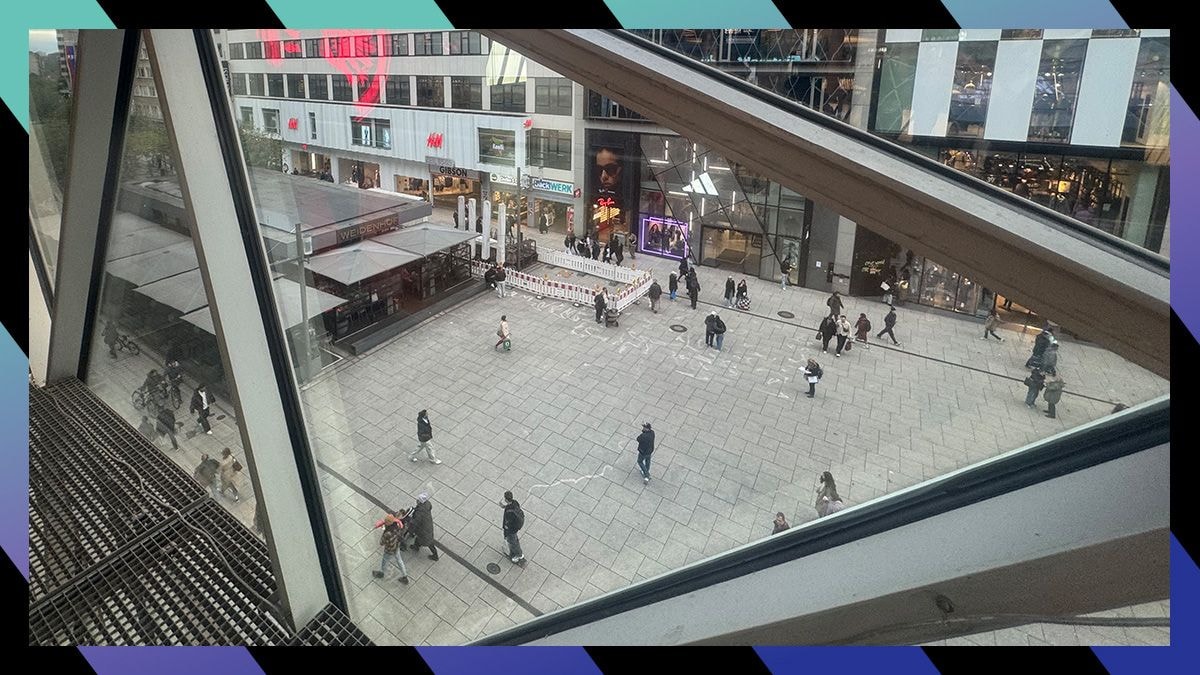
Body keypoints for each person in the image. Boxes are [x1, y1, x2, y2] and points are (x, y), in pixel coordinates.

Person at [372, 513, 410, 584]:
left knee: (385, 560)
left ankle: (381, 573)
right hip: (396, 546)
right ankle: (405, 576)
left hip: (389, 549)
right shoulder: (397, 526)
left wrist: (383, 530)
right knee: (399, 561)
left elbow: (381, 542)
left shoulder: (387, 533)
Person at [408, 493, 440, 560]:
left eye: (418, 500)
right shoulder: (427, 505)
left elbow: (415, 522)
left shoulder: (420, 513)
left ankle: (435, 556)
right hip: (428, 526)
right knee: (426, 540)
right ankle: (416, 546)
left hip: (424, 530)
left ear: (420, 501)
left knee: (428, 542)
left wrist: (411, 529)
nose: (416, 500)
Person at [501, 490, 526, 564]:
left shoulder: (509, 513)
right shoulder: (515, 502)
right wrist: (504, 506)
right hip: (515, 528)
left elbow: (507, 524)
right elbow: (511, 507)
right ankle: (514, 552)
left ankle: (519, 555)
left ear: (506, 499)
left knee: (513, 542)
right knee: (514, 540)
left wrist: (505, 532)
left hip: (511, 530)